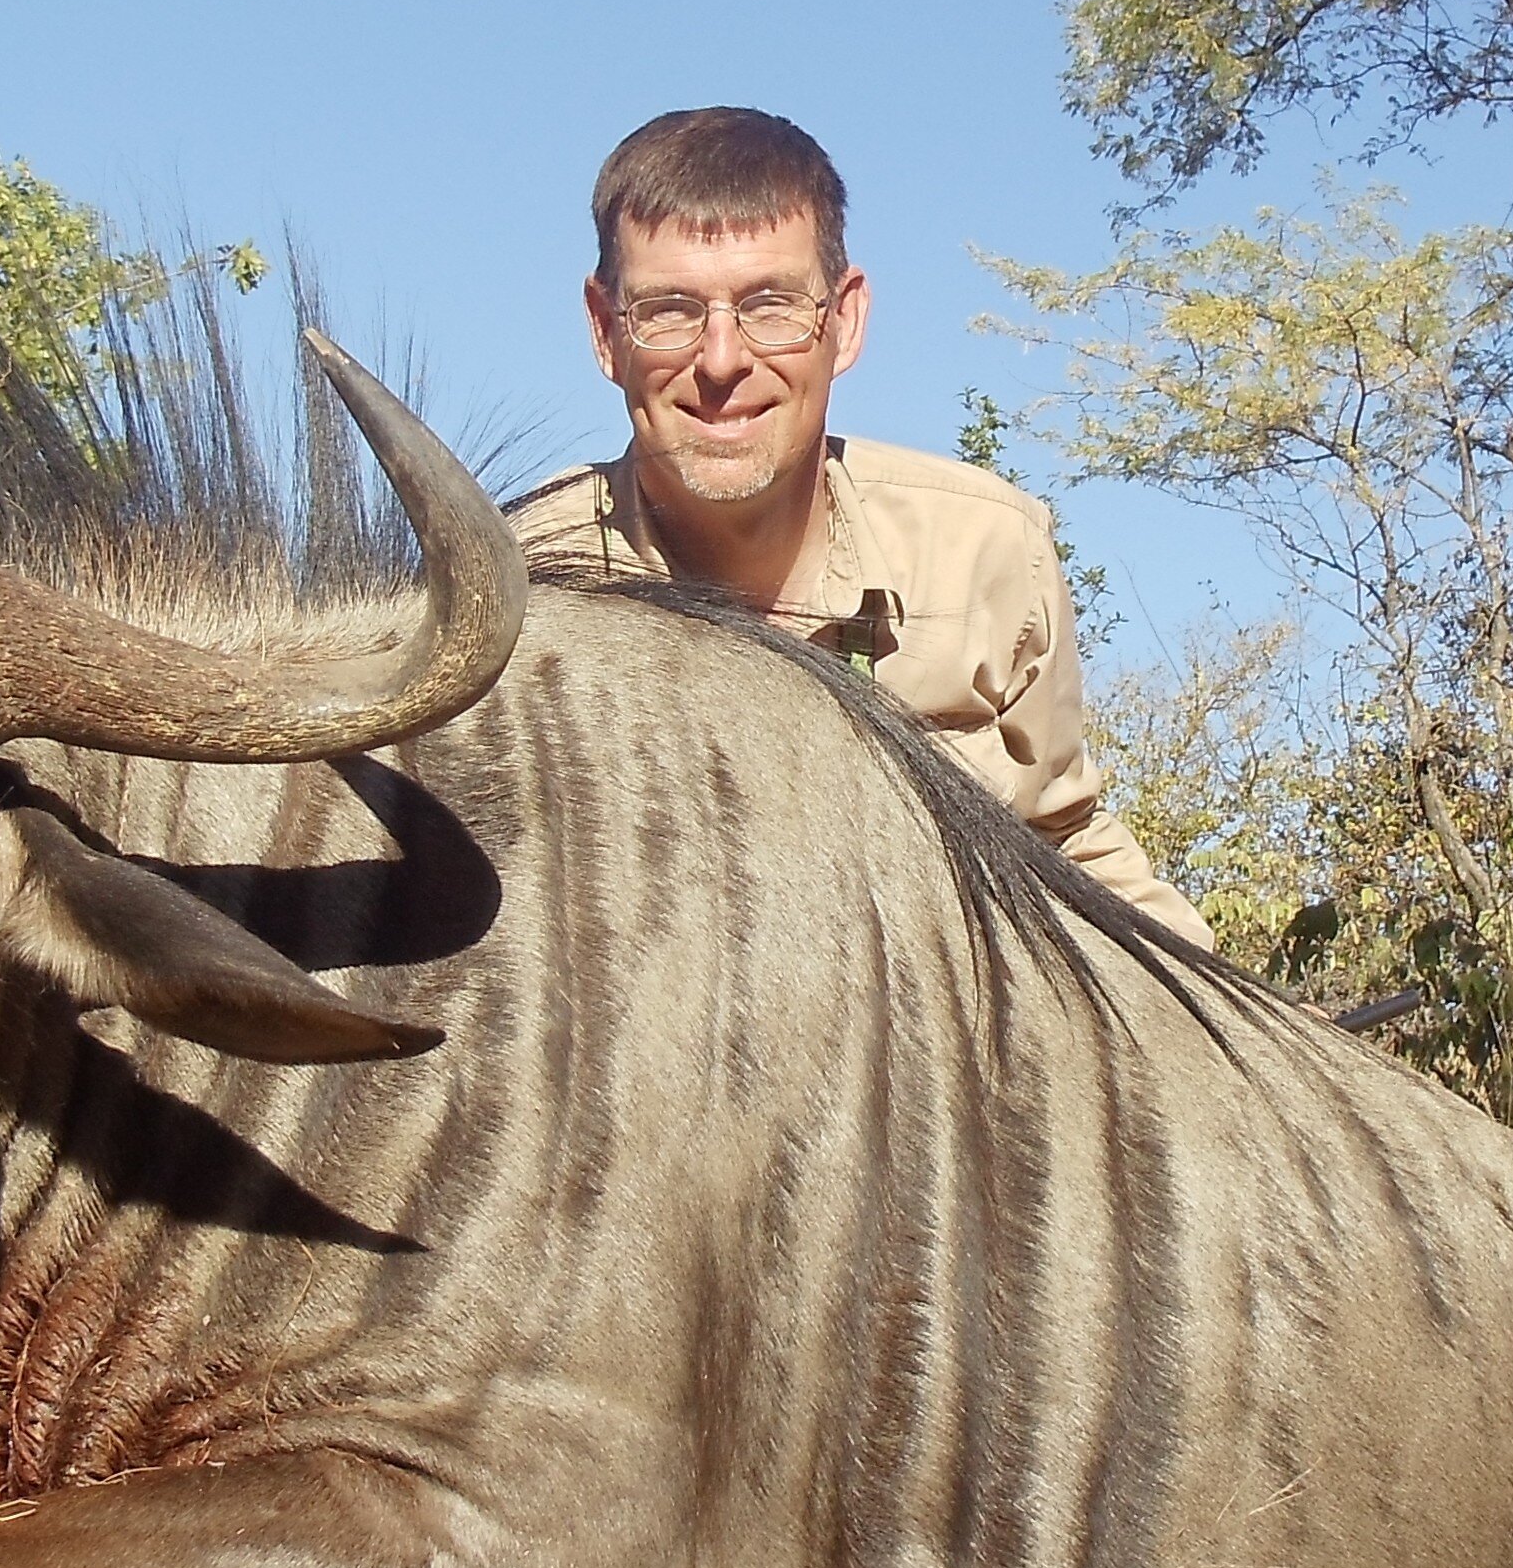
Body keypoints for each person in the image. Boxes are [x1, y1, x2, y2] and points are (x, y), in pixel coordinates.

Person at [508, 105, 1216, 951]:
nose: (723, 361)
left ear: (842, 322)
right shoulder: (515, 586)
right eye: (669, 312)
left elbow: (1065, 844)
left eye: (770, 306)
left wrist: (1262, 1040)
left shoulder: (986, 549)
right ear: (604, 331)